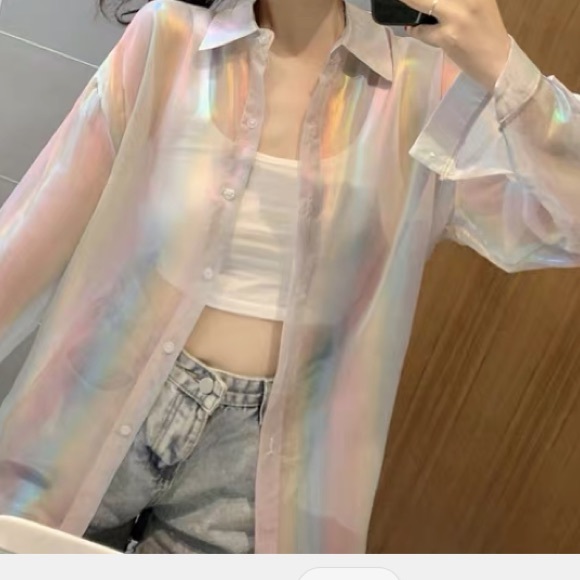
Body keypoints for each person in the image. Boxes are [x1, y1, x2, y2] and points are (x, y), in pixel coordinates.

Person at [0, 0, 578, 554]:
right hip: (90, 408)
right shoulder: (168, 40)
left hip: (268, 465)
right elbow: (30, 237)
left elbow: (566, 225)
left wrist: (503, 67)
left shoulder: (423, 92)